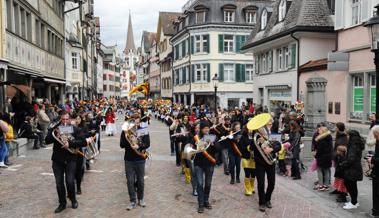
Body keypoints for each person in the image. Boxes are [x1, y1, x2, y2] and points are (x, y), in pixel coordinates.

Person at [45, 111, 89, 213]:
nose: (65, 121)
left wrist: (70, 143)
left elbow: (83, 142)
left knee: (69, 181)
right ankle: (62, 203)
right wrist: (53, 131)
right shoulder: (56, 129)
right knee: (59, 183)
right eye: (63, 119)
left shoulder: (75, 129)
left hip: (71, 158)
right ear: (60, 119)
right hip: (57, 160)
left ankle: (73, 199)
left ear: (69, 119)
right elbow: (47, 140)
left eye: (67, 119)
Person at [251, 114, 281, 212]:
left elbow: (279, 145)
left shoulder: (274, 133)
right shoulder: (256, 135)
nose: (270, 124)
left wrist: (271, 149)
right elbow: (251, 148)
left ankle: (268, 199)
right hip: (260, 162)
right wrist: (258, 142)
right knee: (261, 183)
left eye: (271, 122)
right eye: (269, 122)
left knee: (272, 183)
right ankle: (262, 202)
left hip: (271, 161)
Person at [120, 114, 150, 211]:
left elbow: (147, 143)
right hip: (129, 159)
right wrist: (127, 139)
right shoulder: (125, 131)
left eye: (137, 121)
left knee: (141, 181)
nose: (135, 123)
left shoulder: (143, 129)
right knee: (130, 181)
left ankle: (140, 199)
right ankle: (132, 200)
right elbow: (121, 145)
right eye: (133, 121)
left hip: (140, 158)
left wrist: (139, 146)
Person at [194, 121, 217, 213]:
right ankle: (201, 204)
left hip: (209, 164)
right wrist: (195, 146)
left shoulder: (213, 137)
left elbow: (218, 149)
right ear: (201, 129)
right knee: (200, 184)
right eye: (204, 128)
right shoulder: (196, 137)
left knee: (208, 184)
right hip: (198, 164)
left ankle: (206, 200)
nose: (206, 129)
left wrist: (213, 144)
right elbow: (191, 149)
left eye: (208, 128)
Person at [340, 130, 365, 210]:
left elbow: (351, 159)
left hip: (352, 168)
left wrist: (343, 164)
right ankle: (354, 201)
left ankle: (353, 203)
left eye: (347, 135)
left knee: (350, 184)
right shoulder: (355, 144)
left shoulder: (353, 145)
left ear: (351, 136)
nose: (346, 137)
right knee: (352, 184)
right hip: (354, 168)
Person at [314, 126, 333, 191]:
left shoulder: (322, 140)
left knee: (319, 170)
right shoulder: (329, 138)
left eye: (319, 130)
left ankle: (321, 185)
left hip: (322, 157)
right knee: (326, 170)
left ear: (322, 131)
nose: (318, 131)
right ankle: (326, 185)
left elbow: (319, 150)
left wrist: (316, 156)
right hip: (328, 157)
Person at [239, 126, 256, 196]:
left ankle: (252, 187)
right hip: (246, 158)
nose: (250, 130)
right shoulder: (243, 137)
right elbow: (241, 147)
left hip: (254, 159)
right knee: (247, 174)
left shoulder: (256, 136)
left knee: (253, 174)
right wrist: (248, 148)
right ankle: (247, 189)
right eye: (249, 128)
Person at [369, 125, 379, 217]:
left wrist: (372, 160)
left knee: (376, 193)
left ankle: (376, 212)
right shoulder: (377, 142)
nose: (374, 136)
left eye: (375, 134)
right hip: (376, 171)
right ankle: (375, 211)